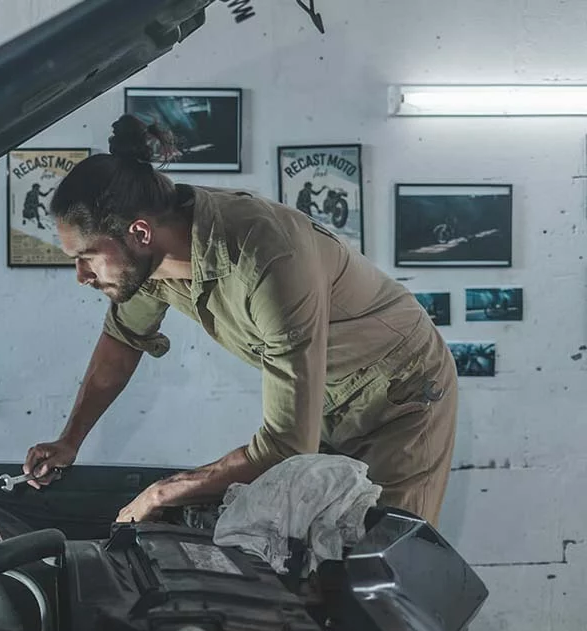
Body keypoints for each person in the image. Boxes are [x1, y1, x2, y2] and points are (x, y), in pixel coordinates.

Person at [23, 115, 458, 527]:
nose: (82, 277)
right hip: (325, 400)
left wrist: (162, 493)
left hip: (402, 392)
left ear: (139, 233)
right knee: (310, 549)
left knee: (379, 557)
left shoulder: (267, 259)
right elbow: (122, 342)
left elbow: (287, 446)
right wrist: (70, 440)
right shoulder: (149, 260)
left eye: (86, 258)